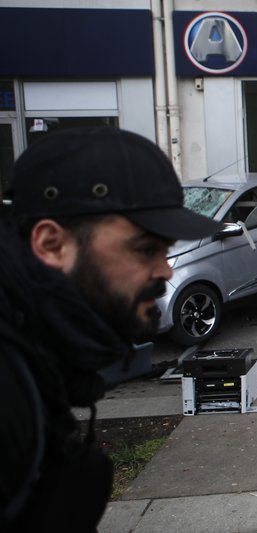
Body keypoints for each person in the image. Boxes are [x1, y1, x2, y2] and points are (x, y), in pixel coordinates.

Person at [0, 127, 222, 531]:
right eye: (144, 250)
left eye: (165, 250)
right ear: (51, 244)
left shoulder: (35, 344)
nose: (165, 270)